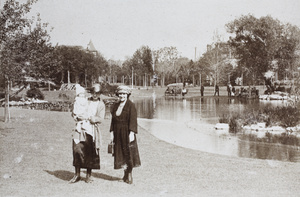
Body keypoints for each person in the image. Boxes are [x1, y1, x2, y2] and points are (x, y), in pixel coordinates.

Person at [69, 84, 106, 183]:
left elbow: (101, 118)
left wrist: (91, 118)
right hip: (80, 128)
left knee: (90, 151)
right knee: (77, 149)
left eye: (97, 93)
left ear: (100, 94)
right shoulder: (85, 100)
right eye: (93, 92)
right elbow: (75, 112)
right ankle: (77, 174)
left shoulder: (101, 104)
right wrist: (77, 116)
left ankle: (88, 175)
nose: (95, 95)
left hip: (91, 129)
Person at [110, 85, 141, 184]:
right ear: (118, 94)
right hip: (117, 133)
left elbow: (133, 120)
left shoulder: (131, 105)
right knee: (120, 153)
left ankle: (130, 174)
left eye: (124, 94)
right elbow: (113, 120)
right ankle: (125, 173)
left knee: (129, 153)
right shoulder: (115, 105)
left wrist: (132, 133)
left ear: (127, 94)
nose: (122, 95)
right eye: (120, 94)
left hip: (127, 132)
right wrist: (111, 132)